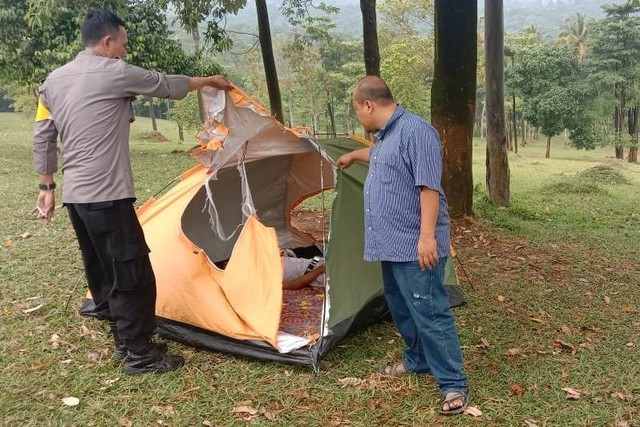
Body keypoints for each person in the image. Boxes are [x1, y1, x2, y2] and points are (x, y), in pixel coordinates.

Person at [32, 9, 232, 375]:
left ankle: (124, 340)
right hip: (106, 195)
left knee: (103, 269)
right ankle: (140, 355)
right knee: (132, 272)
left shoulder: (53, 80)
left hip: (76, 198)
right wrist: (209, 81)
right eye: (122, 44)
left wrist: (46, 187)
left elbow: (44, 135)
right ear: (107, 42)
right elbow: (167, 84)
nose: (125, 51)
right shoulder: (114, 72)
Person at [336, 76, 470, 415]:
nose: (358, 117)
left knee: (429, 310)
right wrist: (354, 155)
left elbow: (428, 189)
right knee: (401, 307)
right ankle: (418, 360)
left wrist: (427, 237)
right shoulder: (387, 137)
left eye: (357, 110)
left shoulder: (417, 131)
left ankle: (453, 383)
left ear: (368, 104)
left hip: (415, 245)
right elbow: (383, 156)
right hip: (390, 244)